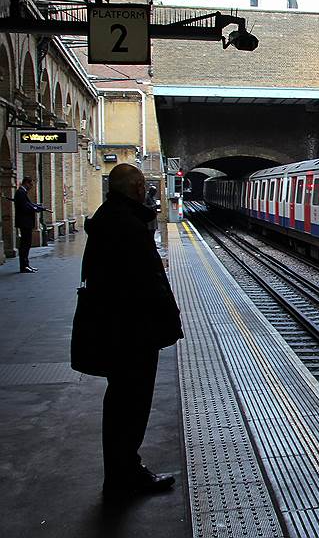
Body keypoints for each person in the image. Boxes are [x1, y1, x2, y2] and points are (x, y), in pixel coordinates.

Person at [83, 163, 183, 499]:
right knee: (130, 404)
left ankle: (122, 470)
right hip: (131, 333)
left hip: (120, 329)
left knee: (123, 404)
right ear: (137, 188)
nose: (146, 191)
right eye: (142, 185)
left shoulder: (111, 217)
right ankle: (125, 475)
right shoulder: (125, 224)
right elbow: (143, 281)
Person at [14, 177, 46, 273]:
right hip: (24, 222)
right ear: (26, 183)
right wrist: (36, 209)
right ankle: (24, 266)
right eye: (31, 184)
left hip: (25, 223)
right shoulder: (20, 192)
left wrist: (38, 206)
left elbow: (29, 204)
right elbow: (25, 207)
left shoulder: (22, 193)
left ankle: (26, 265)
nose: (32, 186)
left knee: (26, 244)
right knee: (25, 245)